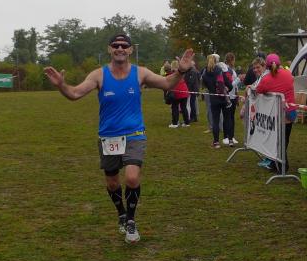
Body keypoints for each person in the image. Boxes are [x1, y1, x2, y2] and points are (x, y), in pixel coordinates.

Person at [44, 33, 194, 244]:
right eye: (116, 45)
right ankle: (122, 213)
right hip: (109, 136)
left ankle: (131, 221)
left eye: (124, 45)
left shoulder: (140, 73)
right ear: (110, 49)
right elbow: (75, 94)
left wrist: (181, 71)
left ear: (131, 50)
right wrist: (62, 85)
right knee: (113, 182)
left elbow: (168, 83)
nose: (120, 48)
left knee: (131, 178)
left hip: (134, 134)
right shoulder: (99, 75)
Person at [254, 54, 296, 173]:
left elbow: (259, 90)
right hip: (290, 112)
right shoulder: (288, 74)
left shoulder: (266, 79)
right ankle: (277, 164)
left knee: (276, 141)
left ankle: (282, 166)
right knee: (284, 140)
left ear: (266, 65)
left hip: (276, 114)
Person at [201, 53, 232, 148]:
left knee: (215, 120)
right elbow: (229, 85)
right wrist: (227, 89)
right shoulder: (220, 71)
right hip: (224, 98)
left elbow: (204, 85)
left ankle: (216, 142)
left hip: (214, 99)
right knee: (227, 119)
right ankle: (230, 140)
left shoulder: (205, 73)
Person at [223, 53, 240, 146]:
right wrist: (239, 79)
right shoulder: (226, 70)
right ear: (232, 60)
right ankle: (226, 137)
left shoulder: (232, 70)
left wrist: (237, 95)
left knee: (231, 117)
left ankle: (231, 136)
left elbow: (235, 86)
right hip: (228, 96)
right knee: (227, 117)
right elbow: (230, 84)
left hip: (233, 96)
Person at [167, 59, 190, 128]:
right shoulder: (181, 72)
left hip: (177, 92)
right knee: (184, 108)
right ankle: (186, 122)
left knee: (175, 107)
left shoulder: (172, 74)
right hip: (184, 91)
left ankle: (175, 123)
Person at [183, 57, 200, 123]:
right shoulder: (189, 71)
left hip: (192, 90)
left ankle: (193, 117)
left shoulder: (192, 71)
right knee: (191, 103)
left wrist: (187, 89)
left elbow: (191, 82)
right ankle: (194, 117)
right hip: (192, 89)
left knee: (192, 103)